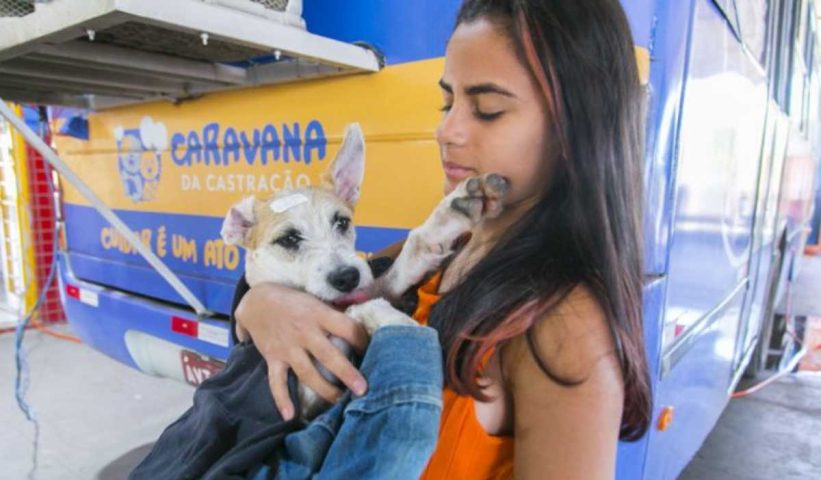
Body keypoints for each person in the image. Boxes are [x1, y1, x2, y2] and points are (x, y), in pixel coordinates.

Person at [233, 0, 652, 478]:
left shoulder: (566, 327)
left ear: (573, 128)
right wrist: (260, 302)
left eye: (488, 110)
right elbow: (320, 301)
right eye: (447, 103)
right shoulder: (440, 247)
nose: (445, 131)